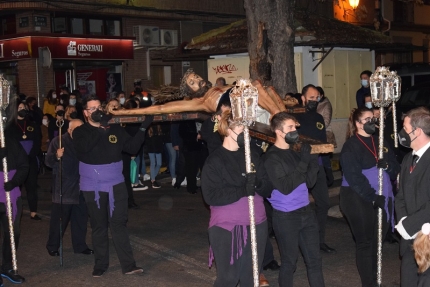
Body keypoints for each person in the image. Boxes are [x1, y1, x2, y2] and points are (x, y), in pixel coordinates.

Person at [72, 95, 153, 277]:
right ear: (85, 113)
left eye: (99, 107)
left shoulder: (114, 129)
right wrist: (101, 128)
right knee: (99, 225)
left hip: (116, 184)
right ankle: (100, 264)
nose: (97, 111)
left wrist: (142, 128)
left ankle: (129, 265)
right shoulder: (80, 131)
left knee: (119, 224)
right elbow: (84, 149)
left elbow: (132, 148)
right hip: (92, 185)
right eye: (93, 109)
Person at [201, 109, 269, 286]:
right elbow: (210, 196)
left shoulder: (253, 154)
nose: (244, 131)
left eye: (246, 126)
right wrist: (243, 189)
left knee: (250, 278)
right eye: (240, 126)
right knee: (229, 278)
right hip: (227, 227)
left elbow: (268, 187)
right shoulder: (215, 160)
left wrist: (259, 184)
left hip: (257, 223)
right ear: (227, 129)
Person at [340, 107, 400, 287]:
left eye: (373, 119)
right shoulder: (351, 145)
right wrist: (372, 196)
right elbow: (353, 176)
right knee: (365, 242)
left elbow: (396, 168)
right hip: (357, 196)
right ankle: (369, 283)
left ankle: (375, 276)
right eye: (367, 119)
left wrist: (388, 166)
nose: (372, 122)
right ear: (357, 123)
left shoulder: (379, 141)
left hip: (381, 195)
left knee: (377, 241)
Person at [264, 111, 324, 287]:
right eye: (290, 127)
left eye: (295, 127)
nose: (295, 131)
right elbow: (286, 187)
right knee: (290, 263)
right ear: (279, 131)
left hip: (306, 212)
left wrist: (313, 161)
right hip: (286, 216)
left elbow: (310, 182)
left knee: (315, 261)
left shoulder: (294, 152)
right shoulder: (271, 158)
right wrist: (304, 163)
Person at [110, 68, 286, 117]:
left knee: (264, 86)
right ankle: (279, 116)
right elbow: (161, 109)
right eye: (192, 83)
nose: (197, 80)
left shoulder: (218, 87)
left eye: (195, 77)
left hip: (252, 102)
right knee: (251, 86)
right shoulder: (199, 101)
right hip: (239, 107)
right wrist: (126, 111)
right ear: (191, 91)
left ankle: (282, 116)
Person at [294, 84, 335, 253]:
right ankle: (299, 241)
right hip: (300, 167)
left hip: (317, 166)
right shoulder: (294, 118)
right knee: (299, 206)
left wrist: (327, 168)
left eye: (317, 98)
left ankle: (319, 240)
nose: (314, 101)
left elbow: (322, 145)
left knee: (323, 204)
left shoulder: (318, 118)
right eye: (311, 98)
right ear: (303, 98)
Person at [45, 119, 93, 256]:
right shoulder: (58, 141)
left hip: (82, 186)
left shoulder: (84, 141)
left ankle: (80, 246)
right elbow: (48, 162)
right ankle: (53, 246)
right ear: (69, 130)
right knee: (59, 221)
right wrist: (56, 156)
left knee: (80, 219)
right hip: (64, 187)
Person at [395, 107, 430, 286]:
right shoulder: (408, 158)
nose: (402, 134)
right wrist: (404, 224)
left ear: (417, 131)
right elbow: (400, 196)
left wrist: (410, 225)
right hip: (408, 240)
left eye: (405, 129)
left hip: (427, 241)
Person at [0, 127, 29, 285]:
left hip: (10, 195)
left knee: (12, 232)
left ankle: (7, 266)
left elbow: (24, 165)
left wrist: (14, 182)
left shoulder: (11, 142)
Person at [5, 98, 42, 221]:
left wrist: (31, 155)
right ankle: (14, 210)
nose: (22, 110)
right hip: (16, 161)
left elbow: (37, 141)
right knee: (16, 186)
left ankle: (33, 211)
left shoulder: (32, 125)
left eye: (24, 108)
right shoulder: (9, 127)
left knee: (31, 186)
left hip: (30, 159)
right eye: (19, 109)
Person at [145, 124, 164, 189]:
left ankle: (153, 177)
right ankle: (153, 180)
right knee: (153, 163)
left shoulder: (158, 127)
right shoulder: (149, 128)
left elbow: (160, 138)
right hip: (151, 148)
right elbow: (147, 139)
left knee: (159, 163)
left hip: (157, 148)